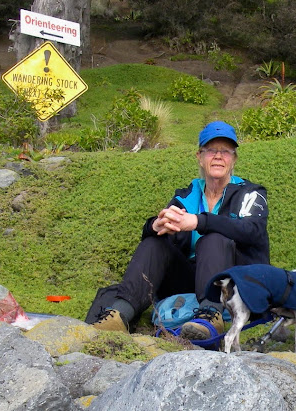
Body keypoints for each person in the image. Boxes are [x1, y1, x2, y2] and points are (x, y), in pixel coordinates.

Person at [91, 121, 269, 340]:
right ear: (200, 157)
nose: (218, 156)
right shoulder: (186, 196)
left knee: (213, 238)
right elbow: (161, 230)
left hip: (237, 284)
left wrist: (199, 222)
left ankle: (211, 316)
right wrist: (155, 226)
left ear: (234, 159)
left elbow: (253, 231)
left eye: (225, 151)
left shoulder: (251, 193)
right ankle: (119, 314)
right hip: (193, 281)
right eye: (211, 150)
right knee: (154, 241)